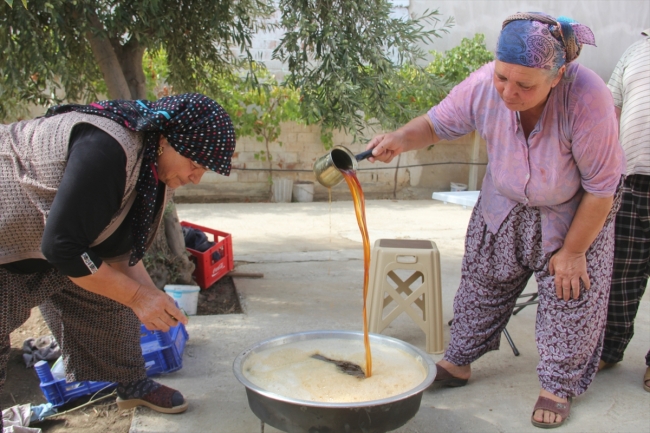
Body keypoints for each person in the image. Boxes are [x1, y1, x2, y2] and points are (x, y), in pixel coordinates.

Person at [365, 12, 625, 429]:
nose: (508, 92)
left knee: (569, 295)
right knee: (482, 283)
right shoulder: (487, 83)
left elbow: (602, 187)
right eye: (504, 78)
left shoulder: (586, 96)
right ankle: (458, 361)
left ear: (556, 76)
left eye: (525, 85)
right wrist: (400, 138)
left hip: (574, 212)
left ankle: (558, 386)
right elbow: (436, 123)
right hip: (502, 204)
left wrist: (575, 251)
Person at [0, 93, 236, 421]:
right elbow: (62, 247)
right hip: (10, 238)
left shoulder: (154, 168)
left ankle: (131, 384)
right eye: (194, 164)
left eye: (203, 168)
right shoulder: (107, 150)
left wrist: (148, 296)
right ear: (166, 140)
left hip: (56, 240)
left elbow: (119, 250)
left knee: (113, 296)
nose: (196, 177)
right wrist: (139, 297)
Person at [599, 29, 650, 391]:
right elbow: (610, 111)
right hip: (630, 181)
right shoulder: (635, 51)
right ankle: (608, 348)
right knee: (621, 275)